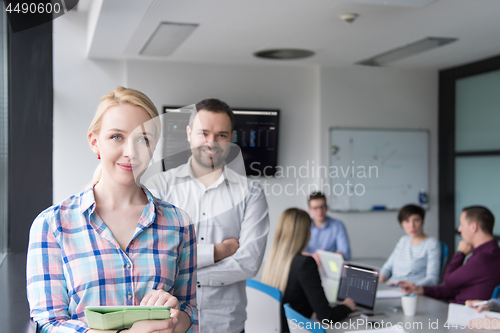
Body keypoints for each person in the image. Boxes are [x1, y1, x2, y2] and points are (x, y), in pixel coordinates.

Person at [26, 87, 197, 333]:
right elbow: (47, 324)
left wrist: (175, 319)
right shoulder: (52, 225)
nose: (130, 152)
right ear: (95, 143)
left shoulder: (179, 223)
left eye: (143, 139)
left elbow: (190, 310)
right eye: (117, 136)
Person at [146, 99, 270, 333]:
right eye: (204, 133)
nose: (211, 142)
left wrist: (184, 273)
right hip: (169, 325)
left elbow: (249, 263)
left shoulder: (251, 193)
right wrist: (218, 252)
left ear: (232, 137)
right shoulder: (160, 188)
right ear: (189, 133)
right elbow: (156, 258)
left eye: (221, 135)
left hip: (226, 325)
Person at [262, 208, 355, 333]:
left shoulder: (274, 260)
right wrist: (347, 305)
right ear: (305, 233)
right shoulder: (305, 263)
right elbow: (326, 317)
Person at [400, 206, 500, 304]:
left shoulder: (483, 258)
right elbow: (455, 289)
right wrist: (421, 290)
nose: (459, 229)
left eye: (461, 224)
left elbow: (448, 283)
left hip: (463, 316)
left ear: (473, 227)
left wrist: (460, 254)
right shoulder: (492, 252)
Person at [379, 204, 441, 286]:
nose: (412, 226)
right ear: (402, 224)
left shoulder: (432, 244)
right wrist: (379, 282)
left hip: (414, 292)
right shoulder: (403, 241)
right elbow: (387, 267)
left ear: (423, 221)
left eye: (416, 220)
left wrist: (413, 287)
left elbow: (433, 279)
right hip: (392, 288)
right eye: (407, 221)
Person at [303, 192, 351, 260]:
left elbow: (345, 252)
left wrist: (325, 257)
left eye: (322, 207)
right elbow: (295, 251)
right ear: (309, 210)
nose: (319, 211)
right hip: (307, 264)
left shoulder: (337, 225)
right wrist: (313, 257)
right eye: (315, 208)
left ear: (327, 207)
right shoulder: (304, 225)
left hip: (330, 265)